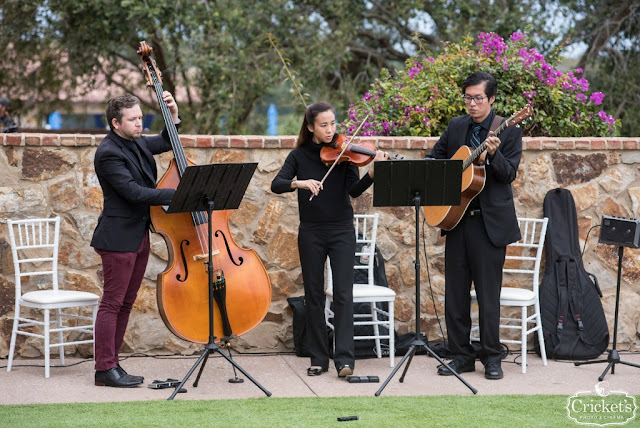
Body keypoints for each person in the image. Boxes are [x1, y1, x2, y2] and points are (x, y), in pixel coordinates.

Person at [271, 102, 388, 378]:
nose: (330, 130)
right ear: (310, 127)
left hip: (341, 230)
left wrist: (372, 172)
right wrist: (300, 183)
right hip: (311, 231)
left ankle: (345, 360)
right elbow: (277, 183)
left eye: (333, 123)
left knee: (344, 294)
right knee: (314, 295)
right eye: (324, 125)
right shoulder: (299, 155)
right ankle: (318, 358)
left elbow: (355, 191)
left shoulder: (345, 153)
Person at [426, 72, 522, 380]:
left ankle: (492, 357)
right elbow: (436, 159)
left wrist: (494, 155)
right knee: (455, 295)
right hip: (457, 221)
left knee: (487, 296)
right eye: (467, 98)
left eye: (478, 98)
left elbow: (509, 176)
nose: (471, 104)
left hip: (489, 225)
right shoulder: (456, 126)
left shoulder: (508, 130)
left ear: (492, 99)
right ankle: (461, 355)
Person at [90, 92, 180, 387]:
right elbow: (134, 193)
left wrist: (173, 115)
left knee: (126, 303)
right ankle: (104, 368)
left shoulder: (135, 141)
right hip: (117, 238)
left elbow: (167, 141)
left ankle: (112, 364)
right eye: (133, 119)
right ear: (116, 123)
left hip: (137, 235)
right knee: (112, 304)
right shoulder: (108, 153)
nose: (140, 123)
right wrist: (177, 193)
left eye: (141, 118)